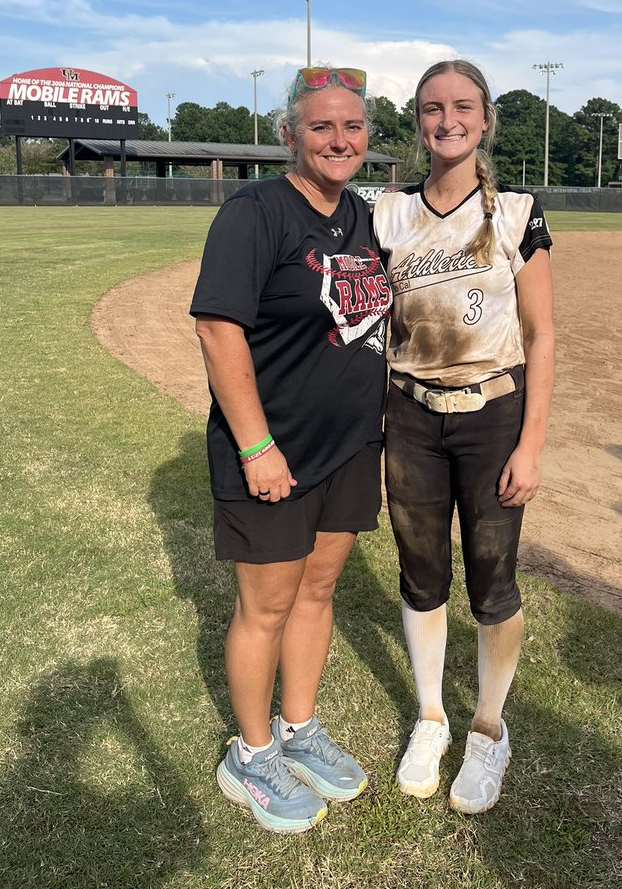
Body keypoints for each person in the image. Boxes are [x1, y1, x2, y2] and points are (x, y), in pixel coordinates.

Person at [190, 67, 392, 834]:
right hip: (274, 450)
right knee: (266, 604)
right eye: (321, 127)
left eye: (352, 127)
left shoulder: (363, 218)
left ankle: (300, 730)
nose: (339, 140)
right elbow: (217, 328)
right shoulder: (256, 212)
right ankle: (250, 754)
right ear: (289, 135)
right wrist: (256, 448)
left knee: (316, 591)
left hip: (347, 446)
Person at [372, 58, 554, 815]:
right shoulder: (387, 211)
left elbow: (542, 335)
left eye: (463, 107)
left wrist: (531, 443)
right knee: (420, 573)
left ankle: (488, 728)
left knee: (493, 581)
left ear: (485, 119)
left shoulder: (515, 210)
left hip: (493, 418)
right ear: (418, 121)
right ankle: (431, 717)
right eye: (432, 108)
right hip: (409, 415)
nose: (447, 120)